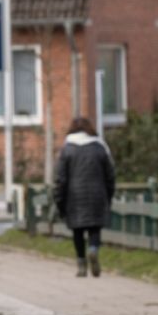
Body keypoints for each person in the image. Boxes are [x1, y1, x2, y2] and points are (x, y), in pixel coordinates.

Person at [54, 117, 115, 277]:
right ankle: (93, 249)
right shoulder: (100, 147)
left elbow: (60, 178)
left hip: (74, 196)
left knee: (78, 231)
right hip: (97, 193)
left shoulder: (67, 149)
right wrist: (108, 195)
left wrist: (59, 200)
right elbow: (110, 175)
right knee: (95, 228)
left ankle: (81, 264)